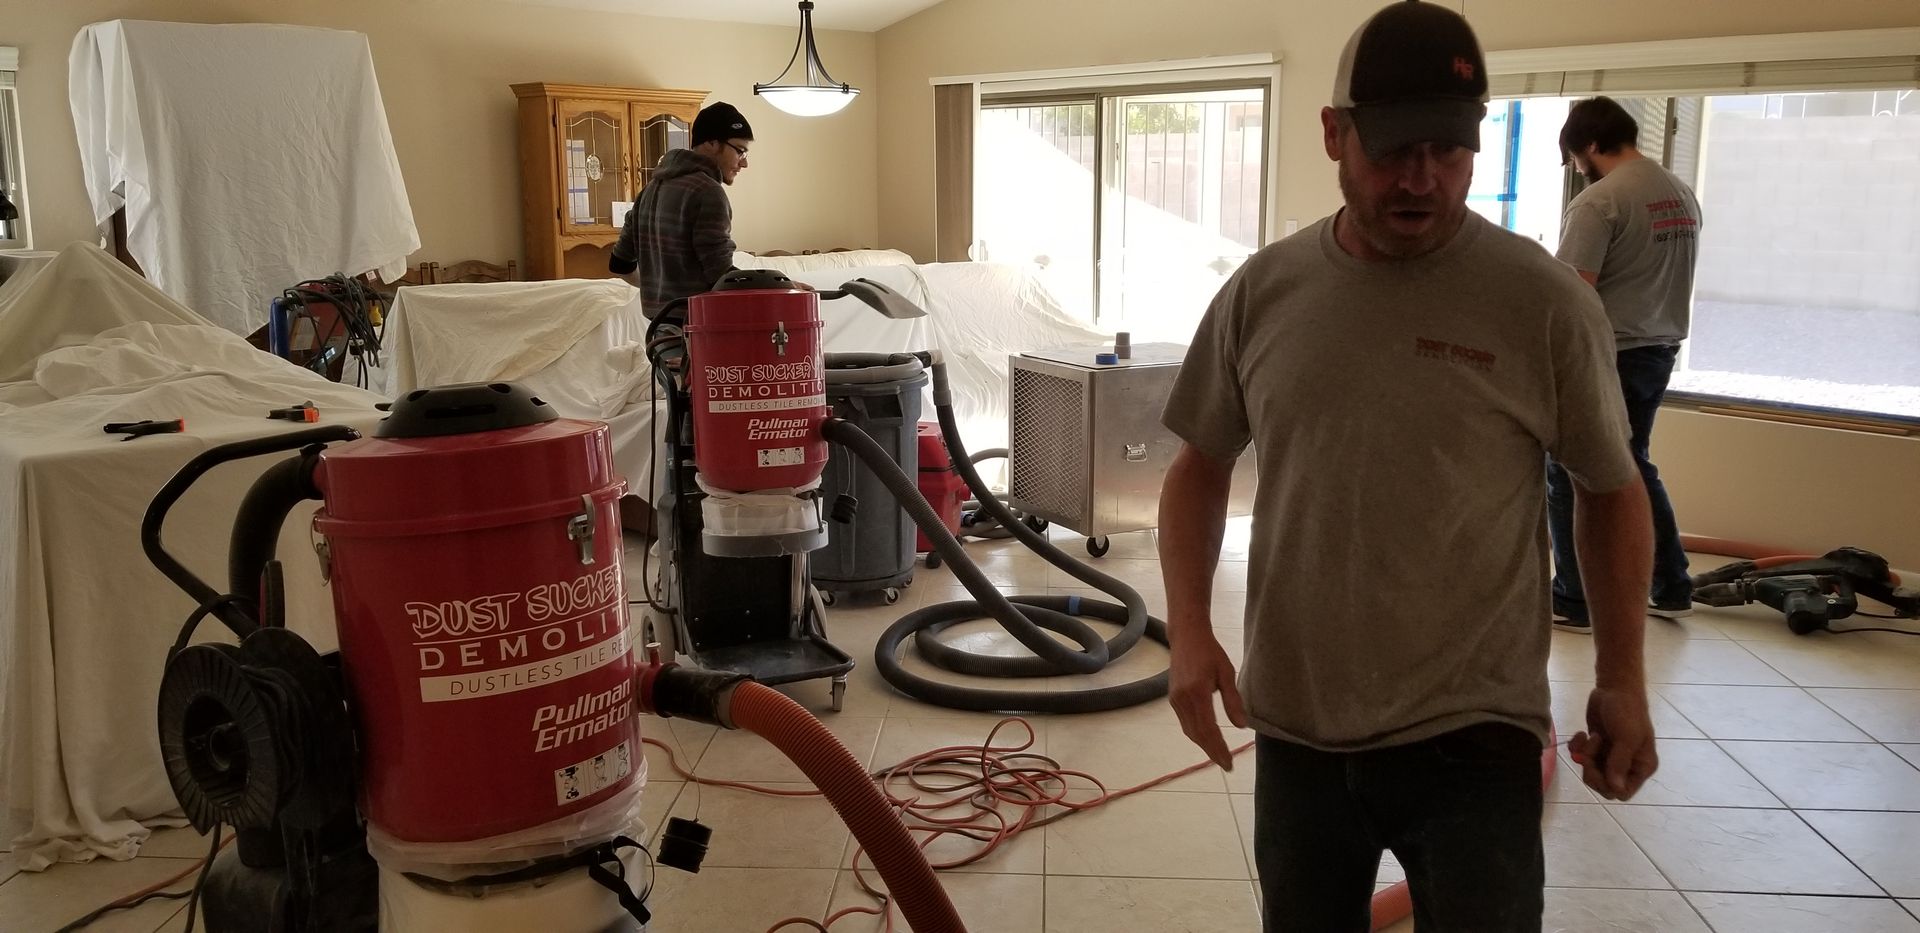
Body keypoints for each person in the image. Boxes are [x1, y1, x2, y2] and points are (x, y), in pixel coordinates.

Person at [1155, 3, 1659, 930]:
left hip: (1475, 731)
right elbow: (1198, 465)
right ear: (1333, 134)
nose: (1423, 178)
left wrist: (1622, 675)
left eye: (1450, 148)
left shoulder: (1542, 302)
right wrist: (1190, 628)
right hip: (1301, 726)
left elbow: (1610, 486)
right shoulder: (1263, 294)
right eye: (1393, 149)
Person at [1548, 95, 1705, 633]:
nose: (1575, 166)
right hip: (1659, 347)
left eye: (1574, 154)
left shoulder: (1600, 202)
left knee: (1570, 467)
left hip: (1612, 353)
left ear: (1591, 144)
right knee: (1634, 464)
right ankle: (1671, 584)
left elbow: (1571, 292)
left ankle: (1573, 599)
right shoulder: (1677, 191)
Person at [609, 101, 756, 319]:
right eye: (740, 151)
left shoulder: (649, 190)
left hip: (659, 333)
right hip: (699, 331)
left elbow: (619, 264)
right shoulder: (708, 192)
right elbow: (721, 276)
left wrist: (663, 294)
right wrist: (782, 287)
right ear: (712, 143)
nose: (744, 164)